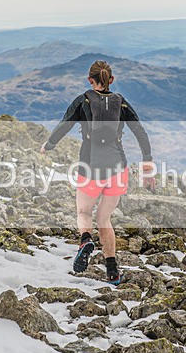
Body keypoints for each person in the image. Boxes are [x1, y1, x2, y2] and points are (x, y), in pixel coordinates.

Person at [41, 60, 154, 284]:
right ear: (111, 80)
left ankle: (85, 240)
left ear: (90, 80)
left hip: (90, 167)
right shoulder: (120, 102)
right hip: (118, 169)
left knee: (84, 212)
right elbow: (139, 131)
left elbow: (65, 124)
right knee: (105, 218)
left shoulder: (83, 100)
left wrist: (49, 145)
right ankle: (112, 270)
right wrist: (147, 163)